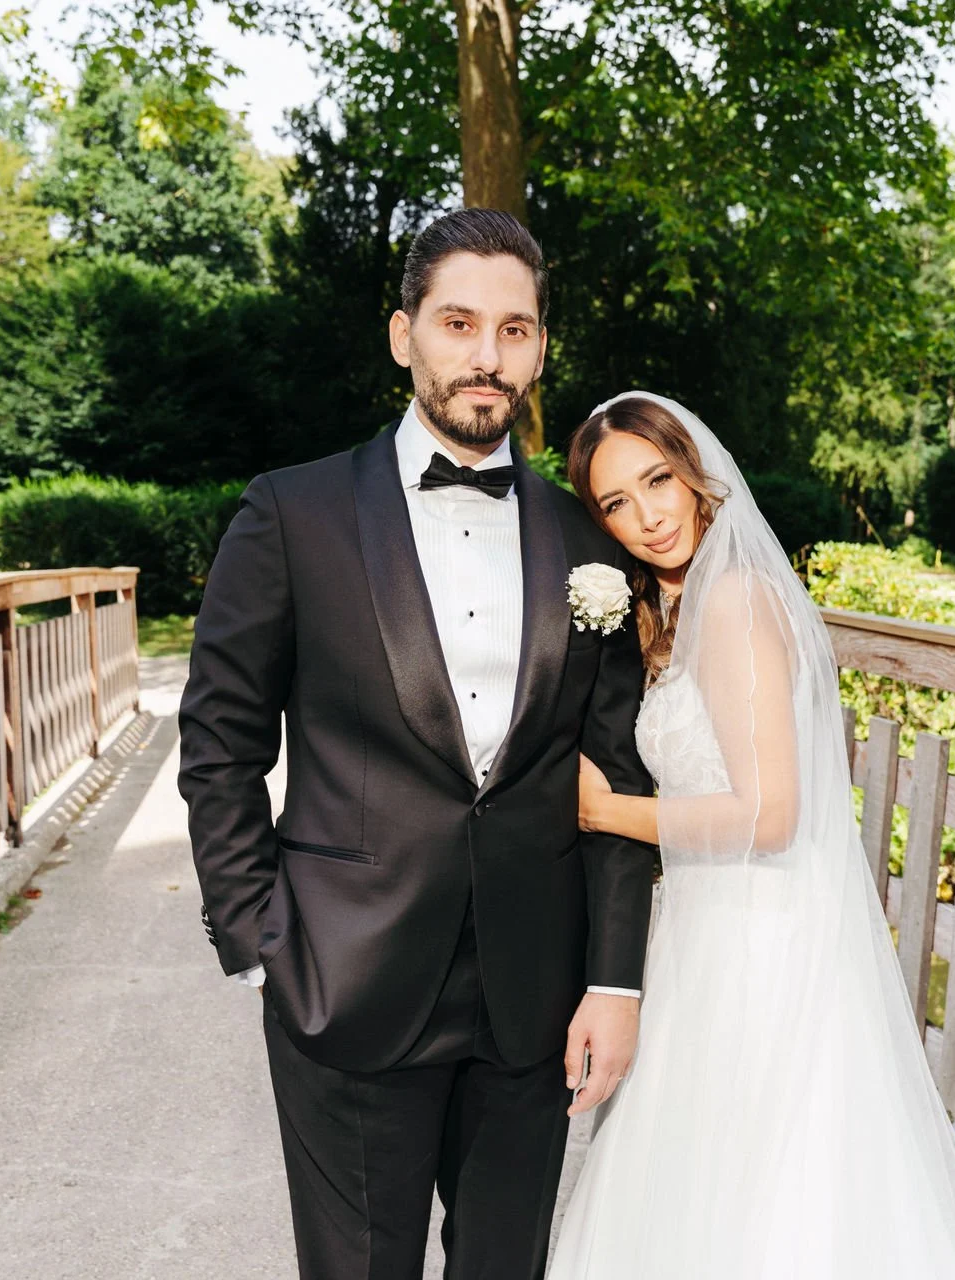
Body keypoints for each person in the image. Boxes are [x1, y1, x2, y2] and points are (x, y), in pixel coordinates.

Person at [178, 209, 656, 1280]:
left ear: (540, 348)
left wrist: (614, 981)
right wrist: (259, 939)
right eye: (459, 322)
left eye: (517, 330)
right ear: (404, 336)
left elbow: (618, 770)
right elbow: (219, 743)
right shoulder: (290, 513)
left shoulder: (590, 538)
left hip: (534, 995)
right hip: (342, 977)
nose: (488, 356)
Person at [548, 391, 955, 1278]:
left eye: (657, 481)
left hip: (755, 941)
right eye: (616, 502)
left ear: (695, 476)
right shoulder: (678, 609)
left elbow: (769, 816)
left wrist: (605, 810)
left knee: (757, 1189)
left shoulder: (734, 601)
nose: (646, 517)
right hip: (703, 928)